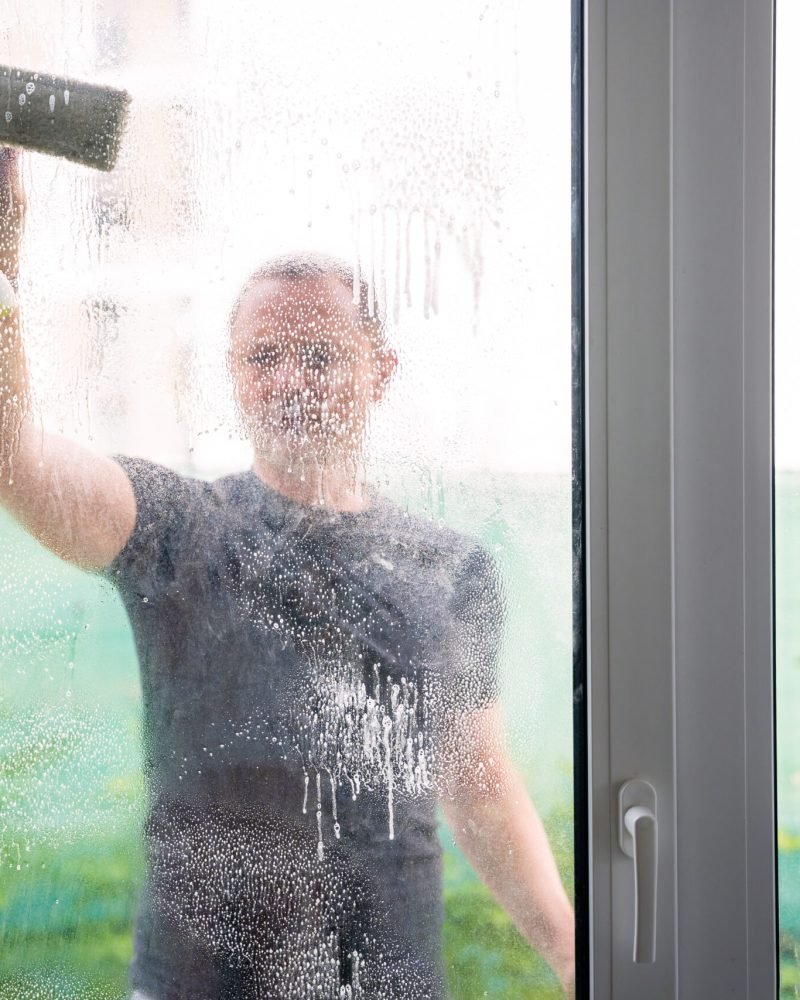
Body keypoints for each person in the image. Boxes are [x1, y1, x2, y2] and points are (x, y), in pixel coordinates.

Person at [0, 148, 575, 1000]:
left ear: (380, 371)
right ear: (232, 374)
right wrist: (3, 268)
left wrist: (573, 956)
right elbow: (20, 464)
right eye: (262, 359)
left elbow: (480, 788)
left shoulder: (449, 568)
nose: (287, 382)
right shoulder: (178, 526)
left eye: (318, 355)